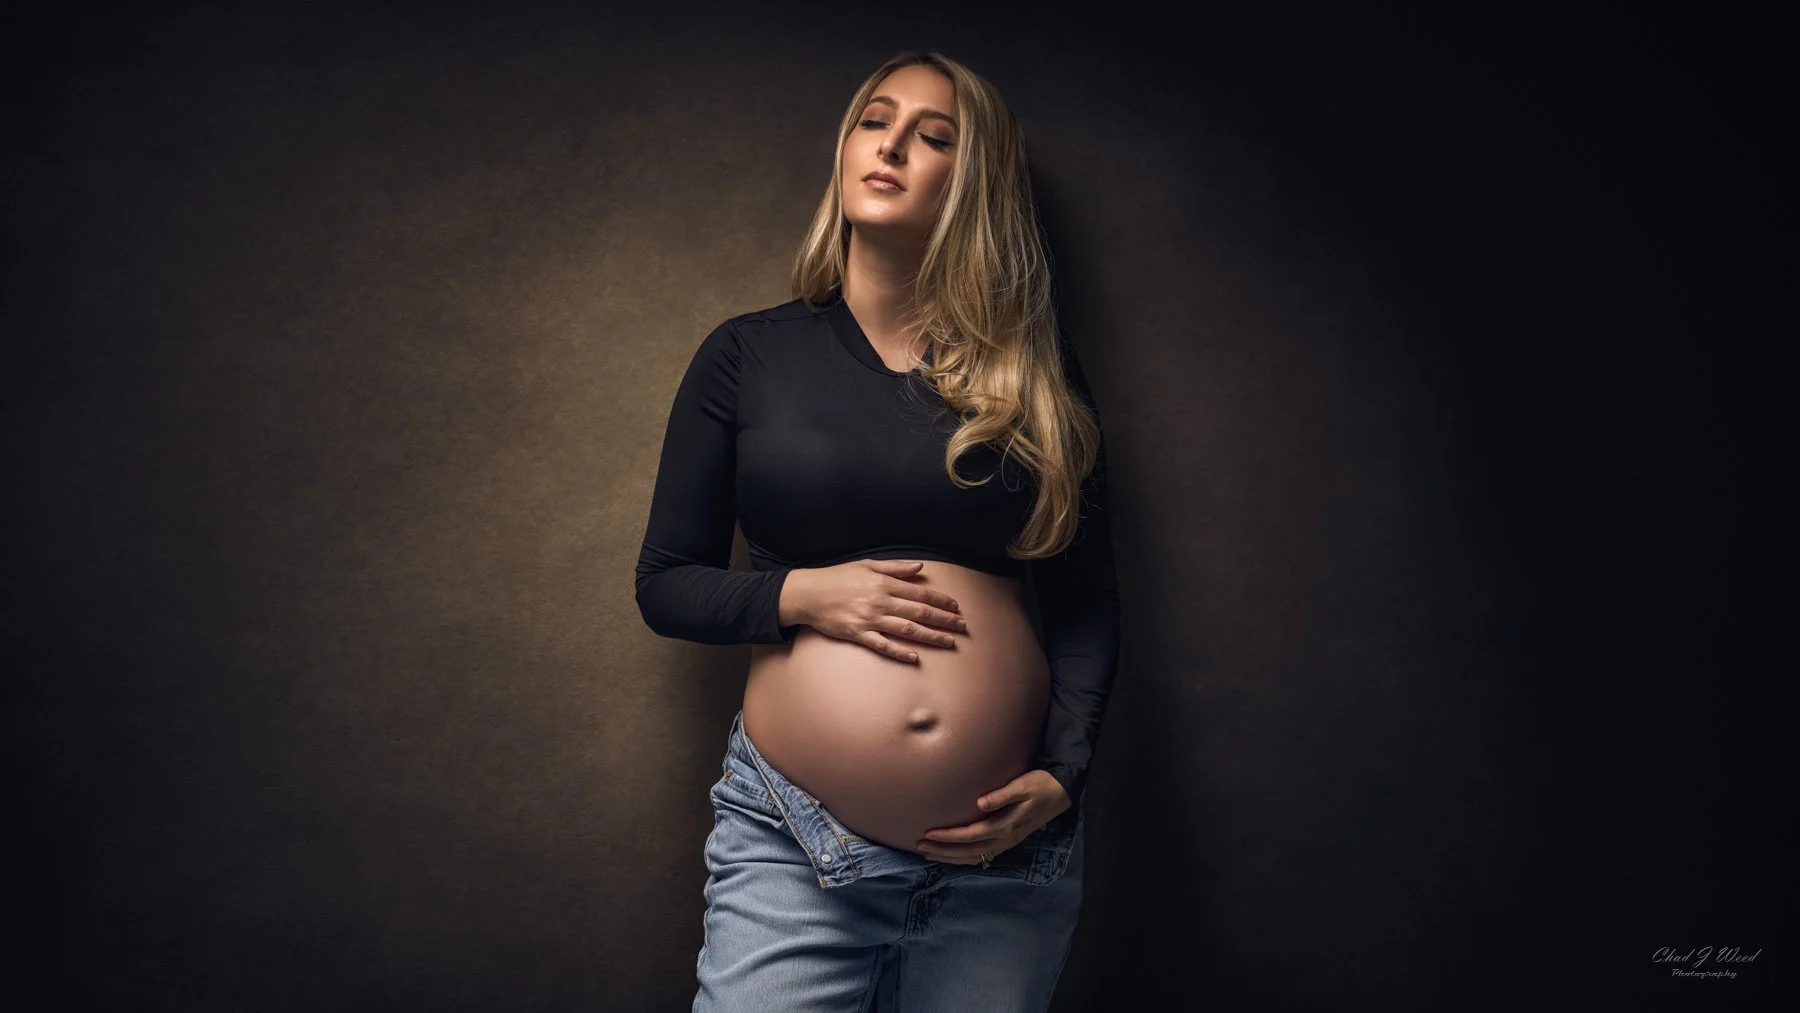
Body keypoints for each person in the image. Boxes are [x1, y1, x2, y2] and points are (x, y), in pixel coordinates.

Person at [635, 49, 1122, 1013]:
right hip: (794, 841)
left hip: (1006, 860)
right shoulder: (748, 354)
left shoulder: (1032, 373)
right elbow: (666, 580)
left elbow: (1085, 601)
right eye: (875, 120)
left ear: (970, 182)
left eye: (934, 136)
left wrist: (1064, 775)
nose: (892, 145)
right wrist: (803, 594)